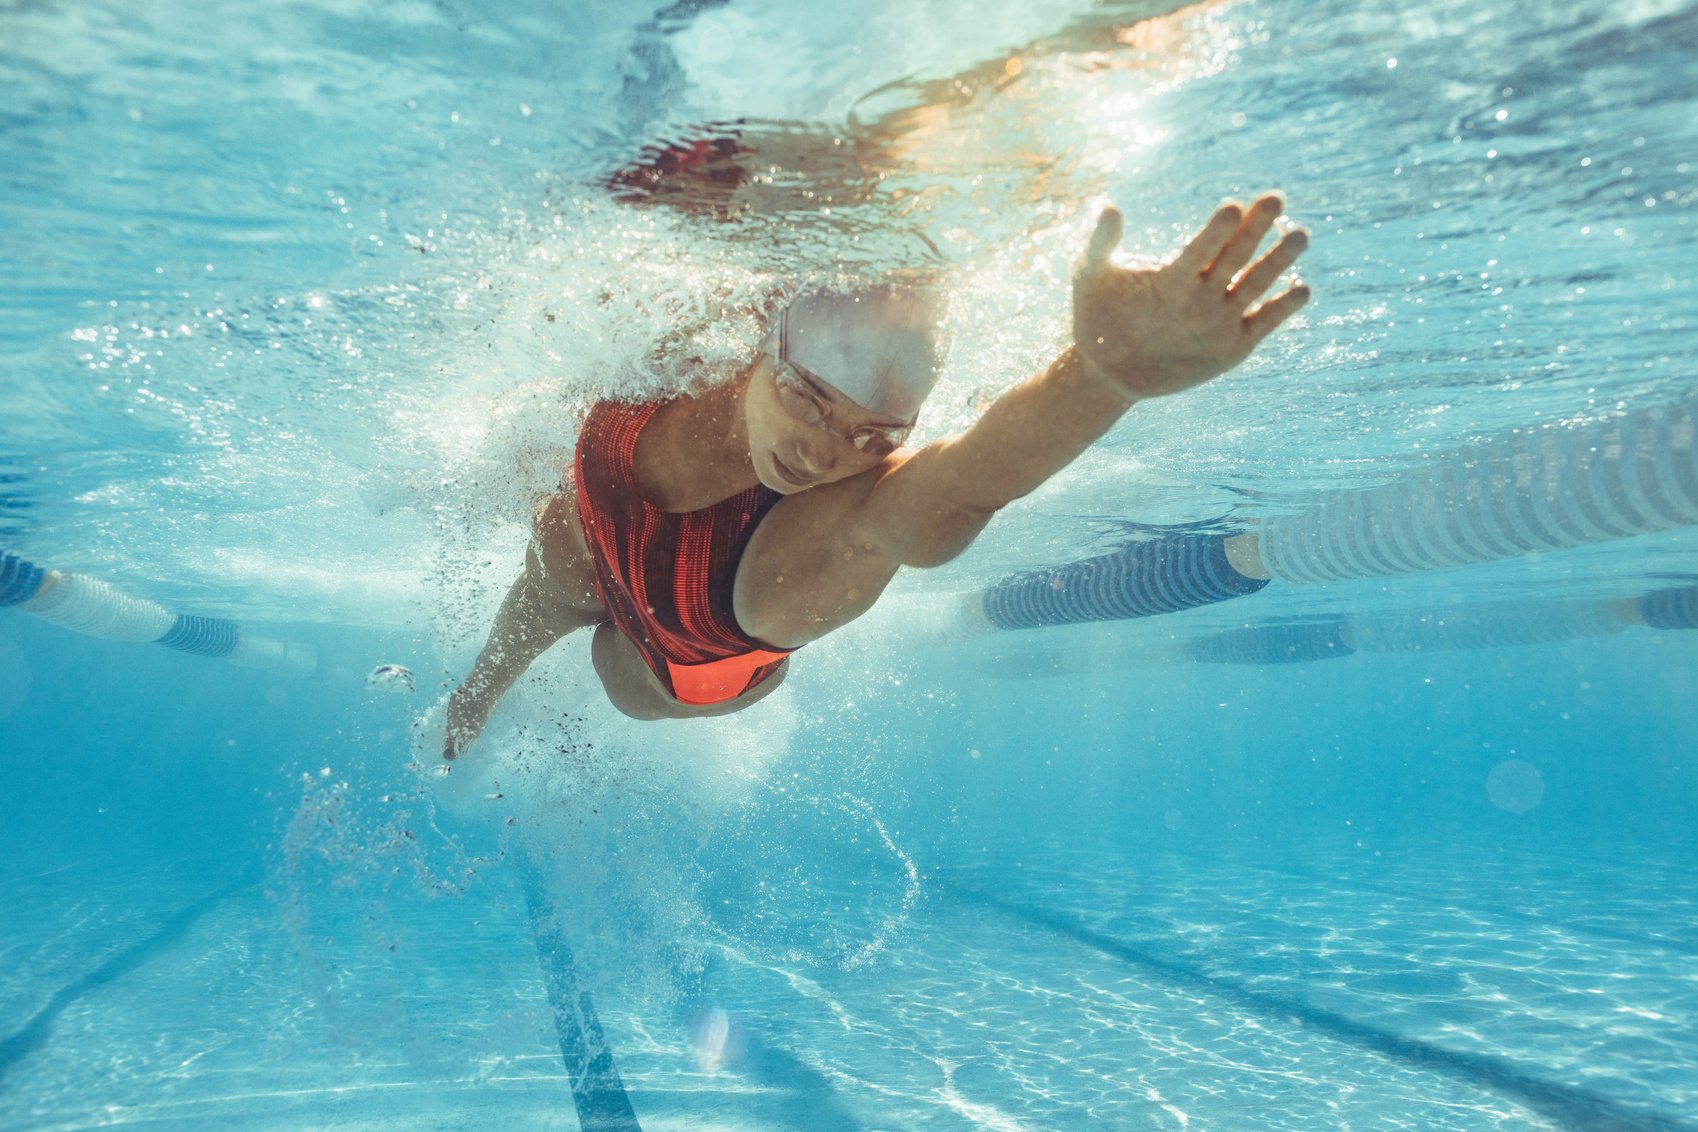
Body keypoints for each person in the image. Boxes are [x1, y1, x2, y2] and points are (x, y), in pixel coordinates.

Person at [442, 195, 1310, 758]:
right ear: (764, 344)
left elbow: (967, 481)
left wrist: (1106, 376)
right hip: (608, 543)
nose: (825, 453)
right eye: (811, 400)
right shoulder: (694, 335)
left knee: (612, 665)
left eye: (873, 433)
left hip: (685, 662)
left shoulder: (817, 550)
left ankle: (539, 713)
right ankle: (473, 700)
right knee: (557, 548)